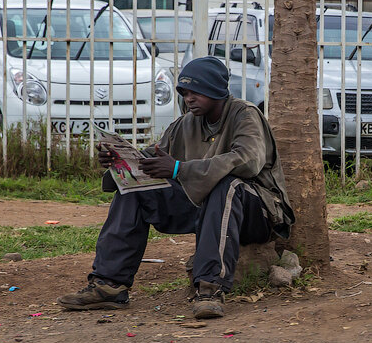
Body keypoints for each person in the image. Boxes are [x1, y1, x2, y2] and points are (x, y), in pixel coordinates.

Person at [57, 56, 295, 319]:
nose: (189, 98)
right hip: (205, 207)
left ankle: (210, 289)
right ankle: (109, 285)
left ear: (216, 90)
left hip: (257, 212)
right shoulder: (186, 123)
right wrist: (120, 162)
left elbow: (247, 161)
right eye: (185, 92)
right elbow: (153, 156)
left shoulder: (245, 115)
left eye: (196, 92)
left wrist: (179, 169)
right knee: (136, 189)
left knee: (227, 185)